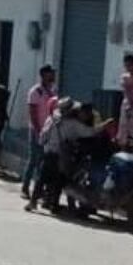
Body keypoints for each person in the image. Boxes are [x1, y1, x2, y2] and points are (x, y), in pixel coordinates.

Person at [26, 97, 104, 213]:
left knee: (41, 179)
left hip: (48, 154)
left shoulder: (51, 119)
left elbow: (43, 136)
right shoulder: (73, 124)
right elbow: (89, 132)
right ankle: (54, 205)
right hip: (61, 156)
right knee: (59, 180)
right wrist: (104, 126)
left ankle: (33, 202)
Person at [22, 64, 57, 198]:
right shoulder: (35, 91)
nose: (53, 76)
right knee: (33, 159)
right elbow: (32, 112)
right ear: (43, 75)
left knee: (43, 161)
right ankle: (25, 187)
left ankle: (39, 189)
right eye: (50, 73)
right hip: (36, 130)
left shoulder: (52, 92)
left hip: (48, 130)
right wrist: (38, 130)